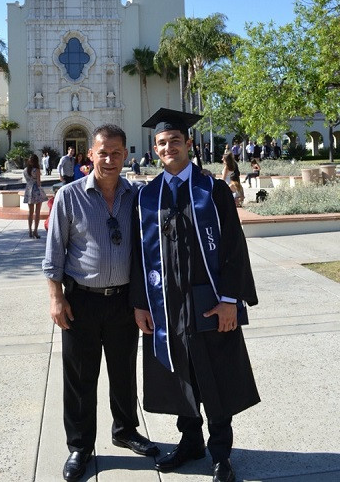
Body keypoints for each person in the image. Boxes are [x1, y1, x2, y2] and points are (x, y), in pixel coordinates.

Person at [130, 108, 260, 482]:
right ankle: (190, 443)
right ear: (155, 148)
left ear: (188, 144)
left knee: (216, 377)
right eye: (161, 142)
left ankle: (221, 454)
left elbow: (234, 248)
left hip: (209, 302)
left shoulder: (212, 190)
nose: (168, 147)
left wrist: (230, 300)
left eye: (174, 140)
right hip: (166, 305)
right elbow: (138, 254)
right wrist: (140, 303)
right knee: (178, 375)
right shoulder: (147, 196)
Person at [42, 124, 159, 482]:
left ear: (125, 155)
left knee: (124, 372)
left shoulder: (136, 195)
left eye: (116, 153)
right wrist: (56, 297)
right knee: (80, 377)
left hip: (124, 301)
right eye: (102, 153)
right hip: (81, 301)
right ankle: (80, 446)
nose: (109, 160)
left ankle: (125, 430)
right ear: (90, 154)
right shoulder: (69, 196)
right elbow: (54, 253)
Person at [23, 153, 47, 238]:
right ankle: (35, 231)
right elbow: (39, 182)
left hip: (28, 190)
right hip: (36, 190)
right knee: (37, 212)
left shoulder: (25, 170)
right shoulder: (36, 170)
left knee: (30, 212)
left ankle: (30, 230)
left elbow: (27, 180)